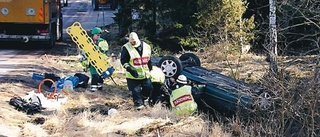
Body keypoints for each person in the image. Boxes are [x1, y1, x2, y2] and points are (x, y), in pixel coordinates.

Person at [120, 32, 153, 110]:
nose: (132, 43)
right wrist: (130, 69)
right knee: (136, 91)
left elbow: (148, 59)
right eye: (131, 42)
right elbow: (124, 61)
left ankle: (144, 98)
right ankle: (139, 107)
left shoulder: (146, 46)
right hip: (132, 76)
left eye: (133, 42)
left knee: (148, 88)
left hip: (145, 75)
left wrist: (150, 67)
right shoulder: (126, 48)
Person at [80, 27, 109, 91]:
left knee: (100, 74)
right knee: (94, 74)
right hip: (91, 61)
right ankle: (94, 88)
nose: (98, 36)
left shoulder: (102, 41)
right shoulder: (88, 41)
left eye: (99, 35)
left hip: (100, 61)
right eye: (97, 35)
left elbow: (104, 50)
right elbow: (84, 51)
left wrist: (97, 49)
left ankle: (99, 86)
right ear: (93, 34)